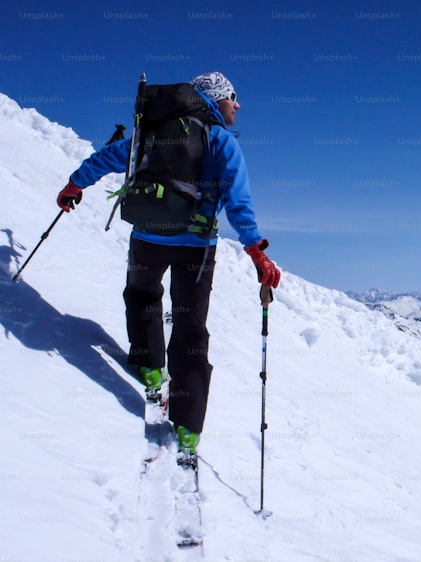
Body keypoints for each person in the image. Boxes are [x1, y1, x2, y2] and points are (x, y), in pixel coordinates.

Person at [56, 72, 280, 457]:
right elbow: (237, 201)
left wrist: (75, 184)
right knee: (191, 329)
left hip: (147, 237)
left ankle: (148, 365)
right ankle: (187, 425)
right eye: (232, 97)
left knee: (142, 294)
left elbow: (111, 157)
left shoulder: (154, 131)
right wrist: (255, 249)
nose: (237, 105)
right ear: (215, 100)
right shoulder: (220, 141)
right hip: (196, 247)